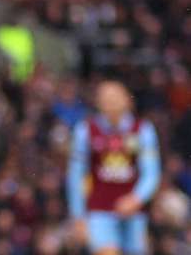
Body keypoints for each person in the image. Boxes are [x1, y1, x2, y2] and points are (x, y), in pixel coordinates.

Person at [67, 81, 161, 255]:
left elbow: (151, 173)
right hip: (99, 209)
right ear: (98, 102)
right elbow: (76, 175)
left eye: (115, 97)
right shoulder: (85, 131)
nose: (111, 102)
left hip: (134, 211)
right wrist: (78, 216)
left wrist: (136, 198)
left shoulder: (143, 130)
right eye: (106, 98)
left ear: (127, 100)